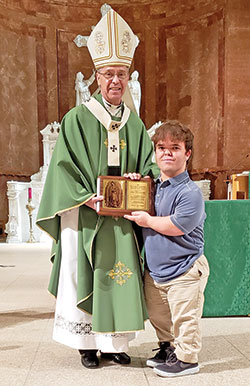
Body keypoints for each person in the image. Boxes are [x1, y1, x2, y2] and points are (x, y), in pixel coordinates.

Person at [36, 8, 158, 370]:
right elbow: (62, 169)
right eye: (108, 74)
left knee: (117, 273)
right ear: (97, 78)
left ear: (128, 79)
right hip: (86, 213)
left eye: (121, 74)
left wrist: (142, 179)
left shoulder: (134, 123)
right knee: (84, 273)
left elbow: (149, 163)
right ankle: (86, 344)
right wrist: (84, 196)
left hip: (121, 218)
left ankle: (113, 343)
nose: (115, 81)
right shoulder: (77, 118)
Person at [125, 120, 209, 377]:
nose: (167, 153)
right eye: (161, 147)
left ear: (188, 154)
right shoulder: (152, 186)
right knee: (160, 316)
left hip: (184, 269)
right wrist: (132, 183)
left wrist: (148, 221)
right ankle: (167, 347)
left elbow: (178, 225)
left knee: (185, 318)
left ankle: (187, 359)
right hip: (157, 271)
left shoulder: (189, 192)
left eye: (175, 147)